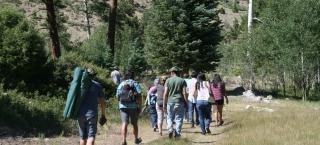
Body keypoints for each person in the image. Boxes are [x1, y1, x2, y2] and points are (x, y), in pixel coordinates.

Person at [77, 68, 106, 145]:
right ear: (93, 76)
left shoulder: (79, 85)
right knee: (91, 136)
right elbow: (102, 102)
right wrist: (103, 114)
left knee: (82, 137)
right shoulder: (97, 85)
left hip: (80, 114)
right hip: (92, 115)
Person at [116, 71, 142, 145]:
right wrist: (140, 106)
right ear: (132, 76)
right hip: (133, 107)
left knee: (124, 123)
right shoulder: (135, 83)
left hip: (123, 106)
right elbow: (139, 95)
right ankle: (136, 139)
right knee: (134, 124)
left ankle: (124, 140)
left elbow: (117, 96)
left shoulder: (121, 84)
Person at [163, 66, 188, 139]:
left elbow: (165, 93)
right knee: (179, 118)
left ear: (172, 72)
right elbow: (184, 93)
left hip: (170, 102)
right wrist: (186, 102)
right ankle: (177, 135)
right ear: (178, 72)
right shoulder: (182, 80)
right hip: (180, 101)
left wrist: (164, 104)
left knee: (169, 117)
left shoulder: (168, 80)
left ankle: (170, 129)